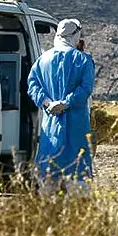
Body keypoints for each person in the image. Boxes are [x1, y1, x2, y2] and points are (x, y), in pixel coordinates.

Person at [26, 18, 95, 196]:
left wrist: (48, 103)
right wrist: (67, 103)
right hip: (76, 124)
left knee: (50, 168)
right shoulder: (83, 60)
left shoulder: (43, 60)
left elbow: (33, 86)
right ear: (76, 35)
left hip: (51, 124)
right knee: (77, 169)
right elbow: (86, 88)